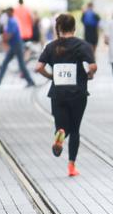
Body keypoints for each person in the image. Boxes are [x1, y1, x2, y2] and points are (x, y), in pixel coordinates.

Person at [36, 13, 97, 178]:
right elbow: (93, 66)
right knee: (75, 129)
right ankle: (71, 166)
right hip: (78, 93)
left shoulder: (51, 46)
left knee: (61, 125)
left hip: (58, 93)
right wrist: (89, 74)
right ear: (74, 28)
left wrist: (51, 77)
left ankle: (60, 134)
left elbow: (38, 67)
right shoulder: (83, 45)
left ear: (59, 28)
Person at [0, 6, 36, 87]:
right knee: (6, 63)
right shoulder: (10, 21)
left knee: (21, 65)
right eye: (6, 12)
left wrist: (3, 40)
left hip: (17, 45)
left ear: (12, 12)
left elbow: (9, 35)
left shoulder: (12, 21)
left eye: (8, 12)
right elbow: (6, 34)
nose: (7, 14)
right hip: (14, 45)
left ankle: (30, 81)